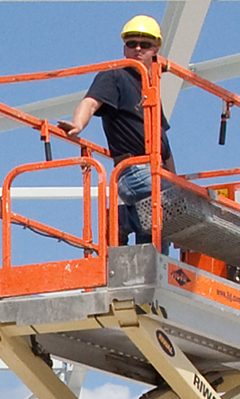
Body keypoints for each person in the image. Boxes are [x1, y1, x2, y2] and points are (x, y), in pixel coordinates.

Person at [61, 15, 175, 245]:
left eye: (145, 44)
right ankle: (122, 219)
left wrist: (175, 179)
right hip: (133, 171)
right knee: (172, 204)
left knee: (157, 233)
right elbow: (91, 102)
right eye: (132, 43)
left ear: (156, 49)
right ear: (124, 48)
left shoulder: (151, 89)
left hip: (155, 170)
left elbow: (163, 142)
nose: (138, 48)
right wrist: (78, 124)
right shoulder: (114, 76)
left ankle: (150, 275)